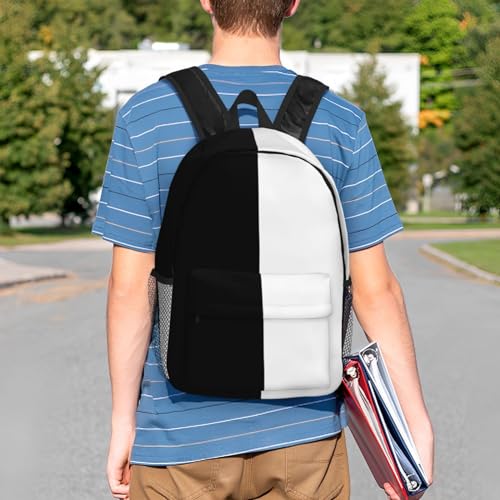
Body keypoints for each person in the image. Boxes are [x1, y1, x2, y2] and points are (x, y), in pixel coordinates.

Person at [92, 1, 434, 498]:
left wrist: (124, 422)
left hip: (180, 435)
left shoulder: (147, 118)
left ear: (206, 1)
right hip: (305, 434)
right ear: (292, 4)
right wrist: (412, 422)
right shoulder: (340, 121)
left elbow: (129, 289)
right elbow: (375, 290)